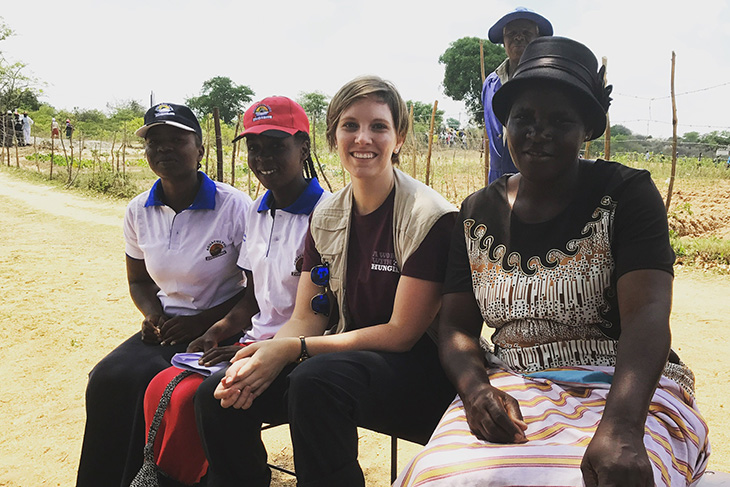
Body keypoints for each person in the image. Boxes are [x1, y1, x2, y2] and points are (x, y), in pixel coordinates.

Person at [395, 37, 709, 487]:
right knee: (438, 476)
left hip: (625, 390)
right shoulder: (476, 213)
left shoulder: (626, 194)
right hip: (516, 383)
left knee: (610, 474)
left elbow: (647, 316)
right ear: (504, 125)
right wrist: (477, 390)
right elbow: (457, 329)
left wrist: (622, 429)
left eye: (559, 120)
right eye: (523, 117)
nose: (537, 132)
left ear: (586, 129)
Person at [195, 75, 458, 487]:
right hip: (343, 361)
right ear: (333, 135)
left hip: (422, 372)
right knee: (220, 392)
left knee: (314, 381)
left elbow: (401, 334)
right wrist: (264, 355)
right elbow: (307, 315)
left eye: (378, 126)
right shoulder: (327, 214)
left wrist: (290, 349)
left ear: (400, 136)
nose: (362, 138)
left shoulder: (430, 217)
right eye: (350, 125)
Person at [139, 96, 329, 486]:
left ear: (303, 146)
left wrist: (249, 351)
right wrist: (217, 331)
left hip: (303, 351)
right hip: (253, 342)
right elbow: (251, 300)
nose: (263, 159)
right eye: (254, 148)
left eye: (277, 145)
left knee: (214, 398)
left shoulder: (326, 215)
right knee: (162, 387)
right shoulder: (257, 212)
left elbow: (325, 315)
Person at [76, 102, 252, 487]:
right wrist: (153, 315)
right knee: (107, 380)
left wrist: (204, 323)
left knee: (158, 389)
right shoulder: (139, 209)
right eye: (155, 142)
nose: (164, 149)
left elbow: (255, 292)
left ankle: (157, 479)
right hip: (167, 330)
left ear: (200, 150)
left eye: (177, 139)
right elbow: (139, 281)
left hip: (221, 331)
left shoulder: (234, 206)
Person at [482, 7, 552, 184]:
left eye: (526, 33)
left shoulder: (548, 81)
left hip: (537, 178)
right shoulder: (491, 83)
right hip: (497, 180)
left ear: (538, 40)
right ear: (503, 41)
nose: (519, 37)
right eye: (512, 33)